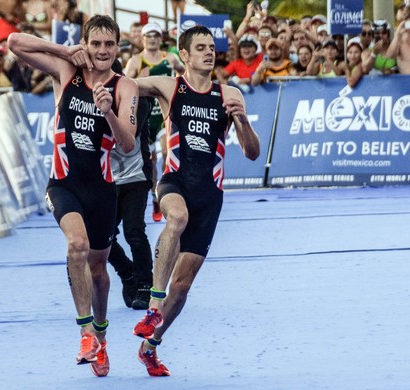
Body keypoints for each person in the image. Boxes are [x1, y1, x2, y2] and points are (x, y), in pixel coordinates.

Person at [7, 14, 137, 377]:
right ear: (85, 44)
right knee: (76, 246)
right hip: (63, 185)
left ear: (117, 47)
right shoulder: (66, 71)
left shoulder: (124, 86)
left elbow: (126, 145)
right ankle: (84, 333)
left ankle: (101, 334)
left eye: (109, 44)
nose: (102, 51)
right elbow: (14, 42)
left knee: (98, 270)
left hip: (102, 192)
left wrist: (109, 111)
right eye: (95, 43)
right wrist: (64, 49)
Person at [131, 25, 260, 377]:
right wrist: (82, 62)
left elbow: (252, 153)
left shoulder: (229, 93)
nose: (208, 52)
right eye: (200, 47)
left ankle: (150, 346)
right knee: (176, 218)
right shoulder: (169, 87)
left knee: (184, 286)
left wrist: (242, 120)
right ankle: (154, 304)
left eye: (211, 47)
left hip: (210, 194)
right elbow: (123, 85)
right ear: (184, 55)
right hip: (174, 181)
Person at [124, 22, 184, 223]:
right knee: (150, 162)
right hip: (145, 117)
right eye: (148, 35)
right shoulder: (135, 61)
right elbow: (122, 87)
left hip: (164, 115)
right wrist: (136, 81)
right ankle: (156, 196)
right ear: (142, 38)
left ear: (161, 39)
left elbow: (186, 75)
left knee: (167, 151)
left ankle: (170, 190)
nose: (152, 39)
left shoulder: (171, 58)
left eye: (156, 35)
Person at [107, 60, 154, 311]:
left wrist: (104, 110)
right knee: (100, 237)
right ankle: (127, 273)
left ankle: (146, 284)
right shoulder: (88, 97)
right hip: (106, 179)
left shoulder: (136, 98)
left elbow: (126, 135)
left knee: (134, 231)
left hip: (135, 176)